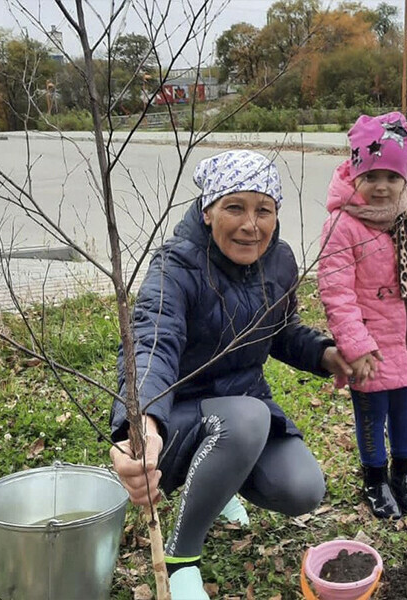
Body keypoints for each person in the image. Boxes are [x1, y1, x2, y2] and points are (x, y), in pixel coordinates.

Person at [109, 149, 352, 599]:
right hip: (175, 419)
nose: (251, 224)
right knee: (247, 419)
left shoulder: (279, 262)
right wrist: (143, 424)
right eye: (234, 207)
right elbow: (152, 343)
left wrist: (323, 354)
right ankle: (182, 559)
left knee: (303, 489)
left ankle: (218, 486)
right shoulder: (174, 267)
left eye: (264, 210)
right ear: (207, 212)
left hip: (242, 412)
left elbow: (280, 331)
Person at [317, 112, 407, 519]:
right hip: (368, 342)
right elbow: (337, 292)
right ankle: (375, 478)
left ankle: (405, 474)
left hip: (406, 338)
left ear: (405, 178)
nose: (382, 187)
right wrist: (355, 345)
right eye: (371, 177)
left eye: (392, 176)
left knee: (405, 408)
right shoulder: (342, 225)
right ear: (355, 175)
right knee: (372, 413)